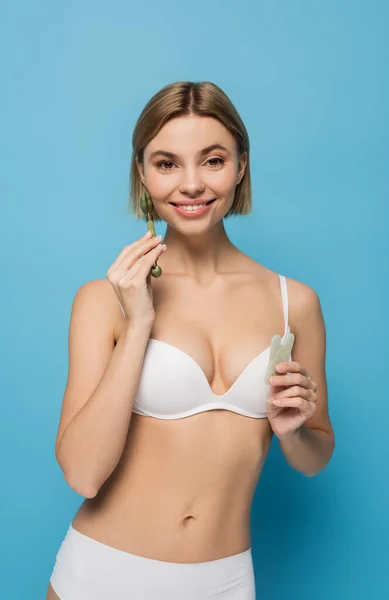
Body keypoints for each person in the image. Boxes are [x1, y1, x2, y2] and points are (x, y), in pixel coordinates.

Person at [46, 80, 335, 600]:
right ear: (142, 173)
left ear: (241, 165)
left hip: (223, 581)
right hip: (102, 574)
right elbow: (83, 474)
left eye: (213, 160)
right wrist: (138, 325)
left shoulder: (296, 303)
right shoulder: (104, 299)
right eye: (167, 163)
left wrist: (292, 431)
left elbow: (315, 457)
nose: (192, 184)